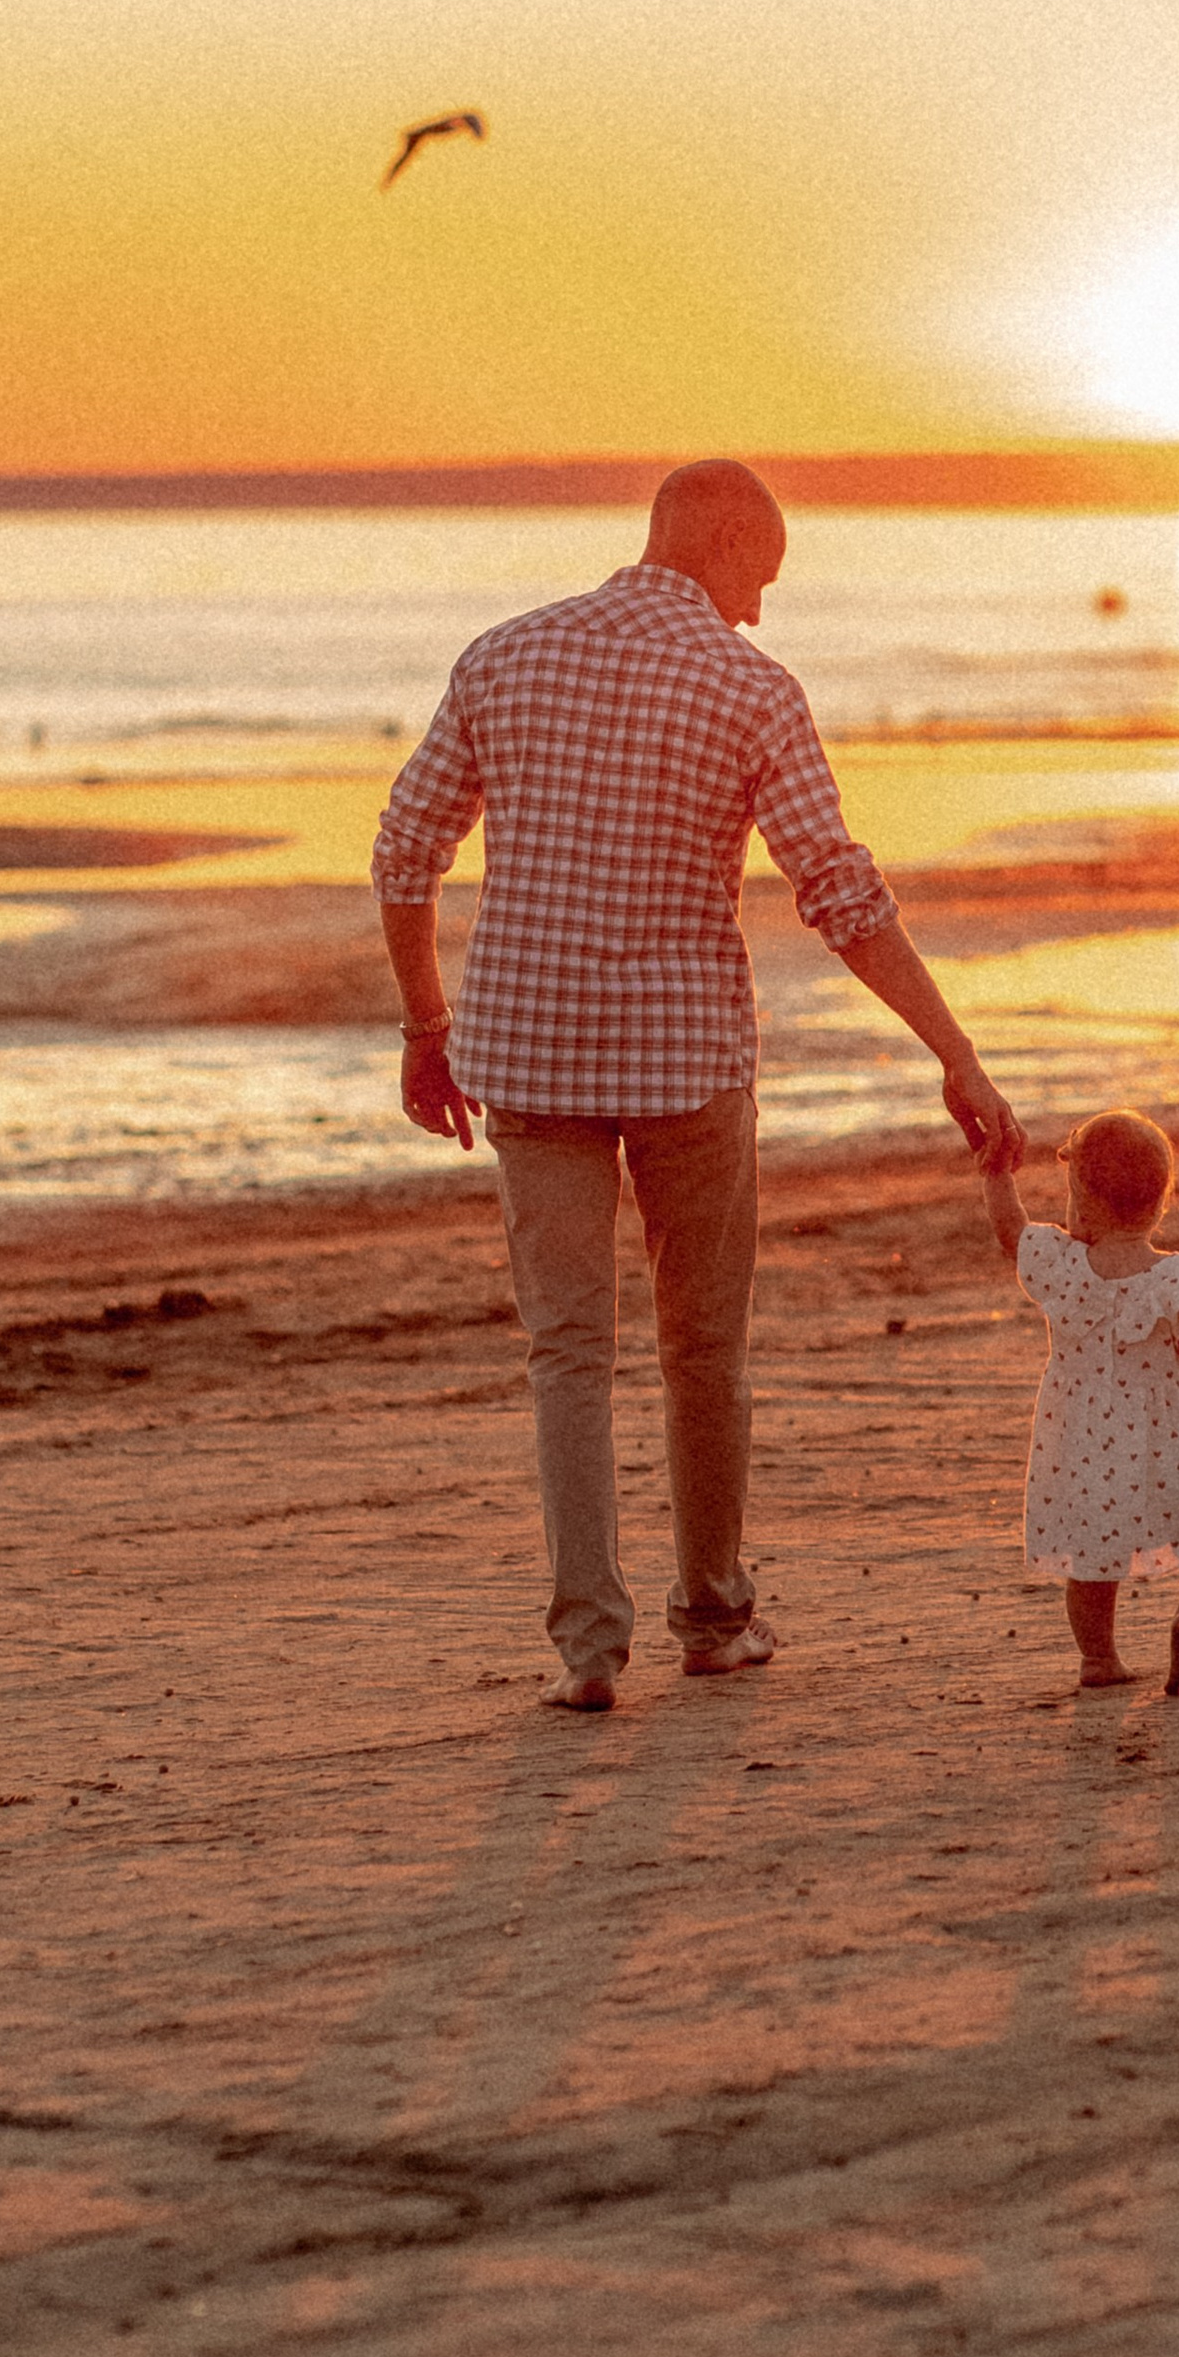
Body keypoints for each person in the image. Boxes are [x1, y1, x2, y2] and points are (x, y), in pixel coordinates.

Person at [373, 459, 1027, 1712]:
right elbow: (840, 894)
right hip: (685, 1063)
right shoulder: (749, 689)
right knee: (701, 1348)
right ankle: (715, 1622)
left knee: (568, 1351)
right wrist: (954, 1050)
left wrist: (424, 1024)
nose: (761, 611)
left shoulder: (502, 657)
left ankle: (587, 1647)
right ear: (718, 539)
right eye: (759, 577)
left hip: (528, 1050)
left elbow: (405, 854)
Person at [981, 1107, 1179, 1696]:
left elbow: (1011, 1231)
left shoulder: (1063, 1268)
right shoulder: (1176, 1280)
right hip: (1170, 1440)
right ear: (1161, 1203)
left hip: (1081, 1444)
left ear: (1081, 1203)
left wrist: (997, 1175)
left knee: (1091, 1558)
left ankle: (1099, 1658)